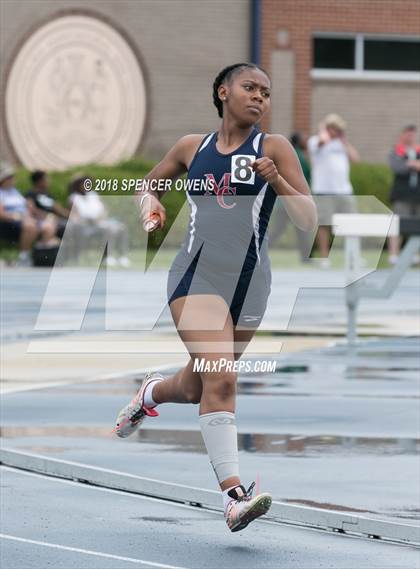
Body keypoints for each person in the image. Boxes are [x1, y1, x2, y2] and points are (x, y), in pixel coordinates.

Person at [114, 63, 317, 532]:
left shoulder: (274, 149)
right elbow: (148, 184)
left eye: (266, 92)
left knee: (197, 386)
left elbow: (308, 220)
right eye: (250, 88)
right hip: (195, 277)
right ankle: (233, 497)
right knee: (221, 378)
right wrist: (151, 208)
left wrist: (279, 181)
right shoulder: (192, 147)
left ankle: (150, 392)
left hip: (250, 284)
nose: (259, 98)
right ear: (223, 92)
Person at [308, 114, 359, 268]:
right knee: (324, 224)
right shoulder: (315, 141)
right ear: (328, 128)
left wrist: (344, 142)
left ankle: (353, 256)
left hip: (344, 191)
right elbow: (321, 142)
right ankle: (324, 257)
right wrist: (323, 130)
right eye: (335, 128)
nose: (338, 131)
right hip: (324, 190)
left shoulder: (341, 144)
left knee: (352, 224)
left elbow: (355, 159)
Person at [68, 175, 130, 267]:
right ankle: (107, 256)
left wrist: (101, 217)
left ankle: (122, 257)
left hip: (101, 222)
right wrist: (92, 220)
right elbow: (75, 215)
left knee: (121, 228)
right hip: (87, 226)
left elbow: (105, 209)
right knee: (110, 229)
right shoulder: (74, 198)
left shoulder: (94, 195)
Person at [0, 162, 56, 266]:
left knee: (48, 226)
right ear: (3, 180)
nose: (12, 179)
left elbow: (29, 207)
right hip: (9, 222)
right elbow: (1, 214)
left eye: (12, 177)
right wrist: (16, 216)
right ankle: (24, 256)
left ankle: (42, 257)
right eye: (9, 177)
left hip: (26, 219)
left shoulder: (15, 191)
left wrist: (42, 215)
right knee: (30, 226)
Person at [270, 131, 312, 262]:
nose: (307, 141)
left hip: (282, 201)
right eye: (304, 139)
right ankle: (305, 258)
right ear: (299, 142)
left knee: (277, 230)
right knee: (302, 229)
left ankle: (260, 249)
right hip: (293, 202)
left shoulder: (286, 154)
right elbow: (306, 178)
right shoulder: (296, 156)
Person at [388, 124, 420, 265]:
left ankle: (416, 255)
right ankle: (394, 254)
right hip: (402, 194)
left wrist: (410, 163)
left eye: (412, 133)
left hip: (418, 194)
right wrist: (412, 164)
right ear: (402, 134)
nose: (410, 136)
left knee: (417, 225)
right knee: (397, 224)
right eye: (407, 133)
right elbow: (398, 167)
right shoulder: (397, 151)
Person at [26, 170, 69, 238]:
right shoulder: (31, 195)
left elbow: (59, 209)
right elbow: (31, 210)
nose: (49, 181)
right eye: (46, 179)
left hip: (56, 219)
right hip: (44, 221)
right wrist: (48, 216)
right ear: (39, 181)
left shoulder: (48, 194)